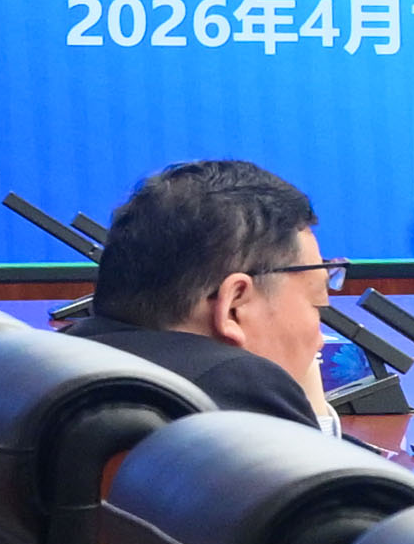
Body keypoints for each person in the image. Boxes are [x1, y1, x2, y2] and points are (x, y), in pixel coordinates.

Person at [73, 157, 368, 437]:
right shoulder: (241, 388)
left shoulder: (72, 353)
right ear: (234, 306)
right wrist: (314, 412)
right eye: (317, 303)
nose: (319, 339)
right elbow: (331, 474)